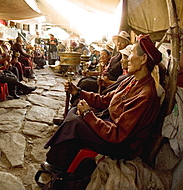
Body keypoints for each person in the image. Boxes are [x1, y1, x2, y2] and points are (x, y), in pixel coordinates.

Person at [43, 34, 162, 176]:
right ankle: (65, 158)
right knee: (74, 111)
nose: (128, 58)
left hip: (121, 145)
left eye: (131, 54)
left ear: (143, 59)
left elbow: (119, 134)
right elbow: (105, 100)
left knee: (75, 124)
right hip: (110, 125)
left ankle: (59, 165)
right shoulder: (131, 80)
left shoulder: (146, 95)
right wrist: (78, 92)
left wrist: (88, 115)